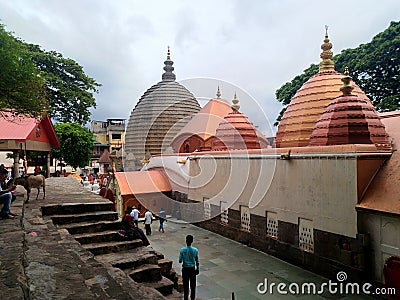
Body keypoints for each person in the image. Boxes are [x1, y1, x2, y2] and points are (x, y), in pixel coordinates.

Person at [179, 234, 199, 300]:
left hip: (185, 269)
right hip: (192, 269)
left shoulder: (182, 250)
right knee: (193, 286)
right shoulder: (195, 250)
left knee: (185, 286)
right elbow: (197, 260)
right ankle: (192, 298)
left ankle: (186, 298)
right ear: (192, 241)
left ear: (186, 241)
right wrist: (197, 268)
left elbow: (180, 260)